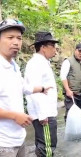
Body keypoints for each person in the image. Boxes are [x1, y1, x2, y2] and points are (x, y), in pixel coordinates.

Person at [0, 19, 49, 157]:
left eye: (19, 38)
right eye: (10, 37)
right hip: (3, 144)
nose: (16, 42)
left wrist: (41, 88)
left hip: (19, 138)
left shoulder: (13, 66)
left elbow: (22, 87)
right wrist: (15, 116)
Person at [24, 31, 59, 157]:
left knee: (45, 144)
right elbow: (35, 89)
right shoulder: (36, 64)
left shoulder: (43, 62)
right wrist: (43, 114)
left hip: (47, 112)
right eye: (53, 46)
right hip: (44, 114)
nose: (55, 49)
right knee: (47, 146)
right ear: (43, 47)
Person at [60, 43, 81, 121]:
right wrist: (67, 90)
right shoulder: (68, 61)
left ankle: (80, 132)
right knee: (71, 115)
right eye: (79, 51)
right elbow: (63, 76)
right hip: (72, 94)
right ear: (75, 50)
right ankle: (70, 132)